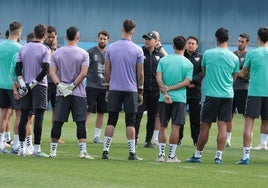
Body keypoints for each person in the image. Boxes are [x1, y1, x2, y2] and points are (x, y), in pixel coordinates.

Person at [186, 27, 239, 164]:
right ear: (228, 39)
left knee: (205, 126)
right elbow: (234, 77)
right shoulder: (234, 57)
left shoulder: (208, 54)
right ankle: (218, 156)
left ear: (216, 38)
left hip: (211, 94)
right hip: (227, 95)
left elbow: (204, 71)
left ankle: (198, 155)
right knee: (223, 126)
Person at [102, 19, 144, 160]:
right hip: (131, 89)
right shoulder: (138, 50)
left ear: (122, 29)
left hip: (114, 88)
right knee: (130, 121)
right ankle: (132, 153)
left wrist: (108, 88)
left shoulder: (111, 48)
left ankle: (106, 150)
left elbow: (107, 71)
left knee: (111, 120)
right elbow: (140, 74)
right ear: (133, 31)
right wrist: (140, 91)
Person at [49, 26, 93, 159]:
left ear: (66, 37)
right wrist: (72, 86)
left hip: (62, 93)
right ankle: (83, 152)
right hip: (78, 93)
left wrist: (60, 86)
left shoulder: (57, 53)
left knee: (58, 121)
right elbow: (84, 73)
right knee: (80, 122)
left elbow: (52, 72)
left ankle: (52, 151)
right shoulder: (83, 53)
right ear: (77, 37)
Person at [155, 35, 193, 162]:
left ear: (173, 46)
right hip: (180, 99)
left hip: (163, 97)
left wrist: (165, 90)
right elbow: (187, 82)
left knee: (163, 126)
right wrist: (171, 88)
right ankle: (171, 156)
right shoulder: (188, 63)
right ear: (185, 47)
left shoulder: (164, 60)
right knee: (176, 127)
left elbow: (158, 78)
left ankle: (161, 155)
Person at [16, 24, 50, 157]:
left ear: (34, 33)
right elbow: (45, 69)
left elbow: (18, 68)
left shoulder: (23, 48)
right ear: (45, 35)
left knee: (24, 116)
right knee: (39, 117)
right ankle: (36, 149)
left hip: (25, 85)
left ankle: (21, 148)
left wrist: (22, 83)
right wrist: (34, 84)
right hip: (39, 86)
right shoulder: (45, 49)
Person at [237, 27, 268, 165]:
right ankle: (263, 143)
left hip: (255, 92)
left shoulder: (252, 53)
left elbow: (244, 74)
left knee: (249, 124)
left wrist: (235, 73)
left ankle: (245, 157)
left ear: (257, 38)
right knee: (266, 121)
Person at [134, 31, 164, 148]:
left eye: (149, 39)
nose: (147, 41)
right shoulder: (140, 53)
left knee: (152, 116)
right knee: (138, 115)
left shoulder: (160, 56)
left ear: (156, 41)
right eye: (146, 39)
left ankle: (148, 140)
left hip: (155, 92)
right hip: (141, 91)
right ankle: (134, 139)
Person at [0, 21, 23, 154]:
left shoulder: (0, 46)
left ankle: (1, 143)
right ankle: (16, 145)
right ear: (19, 33)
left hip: (1, 84)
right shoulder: (20, 48)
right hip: (15, 84)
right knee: (19, 114)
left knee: (3, 113)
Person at [225, 33, 250, 147]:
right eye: (239, 41)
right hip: (230, 89)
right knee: (228, 116)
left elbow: (247, 75)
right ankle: (227, 141)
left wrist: (237, 73)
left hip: (243, 89)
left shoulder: (249, 56)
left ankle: (248, 141)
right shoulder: (232, 55)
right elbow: (228, 72)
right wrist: (239, 72)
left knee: (247, 117)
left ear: (247, 43)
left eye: (242, 42)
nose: (239, 43)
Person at [85, 30, 110, 144]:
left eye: (104, 39)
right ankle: (83, 135)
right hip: (91, 86)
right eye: (100, 38)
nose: (102, 40)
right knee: (88, 111)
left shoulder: (110, 53)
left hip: (104, 87)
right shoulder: (90, 52)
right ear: (97, 39)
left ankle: (96, 136)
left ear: (107, 40)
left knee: (101, 112)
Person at [44, 25, 64, 144]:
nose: (51, 39)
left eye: (53, 36)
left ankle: (55, 136)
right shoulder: (43, 47)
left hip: (56, 83)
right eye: (49, 36)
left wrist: (55, 49)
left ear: (56, 36)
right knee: (39, 111)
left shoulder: (60, 49)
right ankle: (35, 137)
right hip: (45, 82)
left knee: (56, 111)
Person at [182, 36, 203, 146]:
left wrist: (193, 81)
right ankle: (178, 139)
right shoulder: (182, 56)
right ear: (185, 44)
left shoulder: (201, 57)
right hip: (182, 91)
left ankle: (196, 140)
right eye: (189, 43)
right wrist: (186, 82)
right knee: (180, 117)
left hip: (195, 90)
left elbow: (203, 72)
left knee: (195, 117)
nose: (190, 45)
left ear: (197, 45)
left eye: (193, 43)